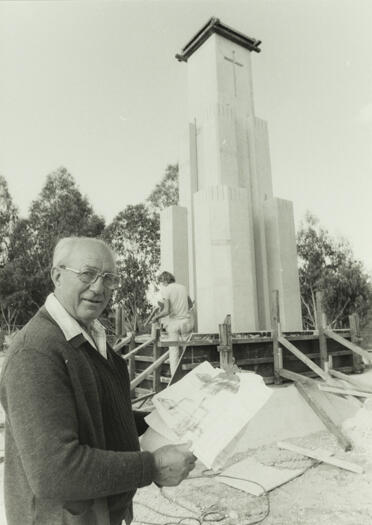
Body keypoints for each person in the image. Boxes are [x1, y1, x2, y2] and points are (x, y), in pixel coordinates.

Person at [0, 237, 196, 525]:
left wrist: (161, 417)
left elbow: (96, 415)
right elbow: (55, 471)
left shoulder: (88, 336)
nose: (99, 287)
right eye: (87, 274)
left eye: (109, 278)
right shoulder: (36, 352)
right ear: (57, 275)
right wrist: (152, 466)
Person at [153, 271, 194, 376]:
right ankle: (188, 375)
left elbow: (166, 311)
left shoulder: (166, 290)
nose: (162, 284)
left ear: (165, 280)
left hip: (174, 324)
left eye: (162, 282)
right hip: (186, 323)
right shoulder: (183, 288)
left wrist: (156, 317)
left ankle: (174, 379)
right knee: (187, 351)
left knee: (174, 353)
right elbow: (190, 305)